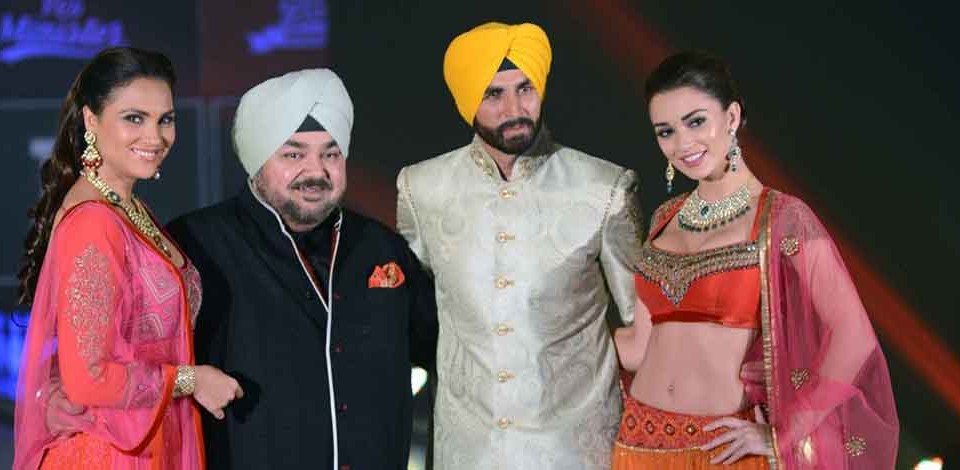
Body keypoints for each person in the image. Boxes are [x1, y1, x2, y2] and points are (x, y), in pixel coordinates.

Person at [44, 68, 439, 469]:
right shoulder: (194, 245)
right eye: (293, 154)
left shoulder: (381, 247)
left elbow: (447, 351)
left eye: (331, 154)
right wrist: (66, 399)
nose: (316, 172)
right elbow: (115, 357)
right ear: (257, 161)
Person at [612, 51, 899, 468]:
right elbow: (639, 347)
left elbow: (853, 336)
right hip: (636, 443)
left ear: (731, 117)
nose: (682, 144)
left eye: (696, 122)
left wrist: (786, 432)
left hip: (723, 451)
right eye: (666, 131)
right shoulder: (664, 218)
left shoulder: (783, 218)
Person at [396, 22, 642, 469]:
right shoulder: (422, 189)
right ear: (466, 101)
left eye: (525, 89)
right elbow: (410, 314)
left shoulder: (604, 188)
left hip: (577, 451)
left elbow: (645, 325)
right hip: (467, 451)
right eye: (494, 94)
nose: (515, 109)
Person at [14, 47, 242, 470]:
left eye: (165, 119)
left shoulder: (127, 207)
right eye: (134, 118)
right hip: (108, 453)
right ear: (90, 120)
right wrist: (191, 379)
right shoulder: (93, 222)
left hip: (145, 440)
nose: (155, 137)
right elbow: (88, 378)